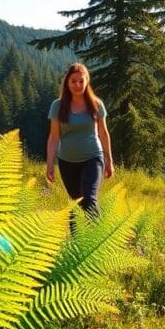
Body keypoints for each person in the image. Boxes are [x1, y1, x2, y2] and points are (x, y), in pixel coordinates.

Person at [46, 63, 114, 231]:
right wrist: (50, 164)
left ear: (87, 81)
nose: (77, 85)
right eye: (73, 81)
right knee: (76, 204)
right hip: (67, 162)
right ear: (67, 83)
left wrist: (109, 160)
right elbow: (54, 137)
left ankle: (98, 238)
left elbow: (103, 133)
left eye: (81, 81)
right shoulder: (57, 106)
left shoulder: (96, 104)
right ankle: (77, 244)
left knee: (89, 199)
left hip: (93, 157)